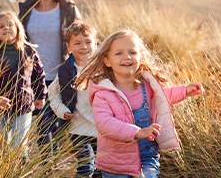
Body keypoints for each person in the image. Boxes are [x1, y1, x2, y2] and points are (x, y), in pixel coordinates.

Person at [75, 29, 204, 178]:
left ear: (140, 57)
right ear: (107, 60)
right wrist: (137, 132)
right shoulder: (103, 93)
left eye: (132, 52)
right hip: (117, 163)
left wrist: (185, 91)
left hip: (148, 156)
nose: (127, 57)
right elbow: (105, 124)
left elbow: (162, 97)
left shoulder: (146, 85)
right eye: (119, 53)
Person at [18, 0, 81, 155]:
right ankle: (46, 164)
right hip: (33, 75)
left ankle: (52, 158)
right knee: (43, 124)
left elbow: (79, 35)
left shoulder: (67, 8)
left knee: (56, 124)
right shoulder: (27, 8)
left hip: (61, 74)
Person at [0, 11, 47, 158]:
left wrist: (40, 96)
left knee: (20, 146)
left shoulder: (29, 51)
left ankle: (22, 169)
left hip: (23, 106)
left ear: (18, 29)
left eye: (10, 24)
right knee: (2, 144)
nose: (6, 28)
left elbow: (39, 76)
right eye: (1, 26)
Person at [48, 21, 102, 177]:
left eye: (88, 42)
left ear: (96, 44)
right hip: (77, 128)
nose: (83, 46)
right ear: (68, 47)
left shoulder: (104, 68)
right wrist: (61, 111)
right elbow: (53, 93)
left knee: (100, 169)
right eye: (77, 43)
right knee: (86, 167)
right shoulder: (65, 70)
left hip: (101, 128)